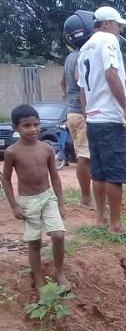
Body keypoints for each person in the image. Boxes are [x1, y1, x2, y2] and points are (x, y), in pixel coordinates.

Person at [78, 5, 126, 237]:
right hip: (109, 118)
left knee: (100, 171)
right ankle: (116, 224)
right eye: (117, 24)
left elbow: (82, 87)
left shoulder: (85, 47)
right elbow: (111, 73)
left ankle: (101, 217)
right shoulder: (108, 41)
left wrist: (87, 115)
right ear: (105, 24)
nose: (119, 29)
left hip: (94, 118)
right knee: (115, 172)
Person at [1, 105, 68, 293]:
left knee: (58, 235)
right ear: (15, 128)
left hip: (48, 198)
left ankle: (60, 272)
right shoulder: (12, 152)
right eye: (26, 126)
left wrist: (60, 203)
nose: (32, 129)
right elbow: (5, 178)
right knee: (34, 242)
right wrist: (14, 205)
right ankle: (39, 280)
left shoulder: (46, 148)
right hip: (28, 202)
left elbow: (54, 176)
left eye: (36, 124)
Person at [60, 9, 95, 208]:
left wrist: (69, 100)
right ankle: (86, 198)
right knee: (85, 157)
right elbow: (78, 81)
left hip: (71, 112)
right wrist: (86, 111)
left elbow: (63, 84)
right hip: (82, 113)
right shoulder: (83, 55)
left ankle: (88, 197)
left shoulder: (69, 56)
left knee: (85, 155)